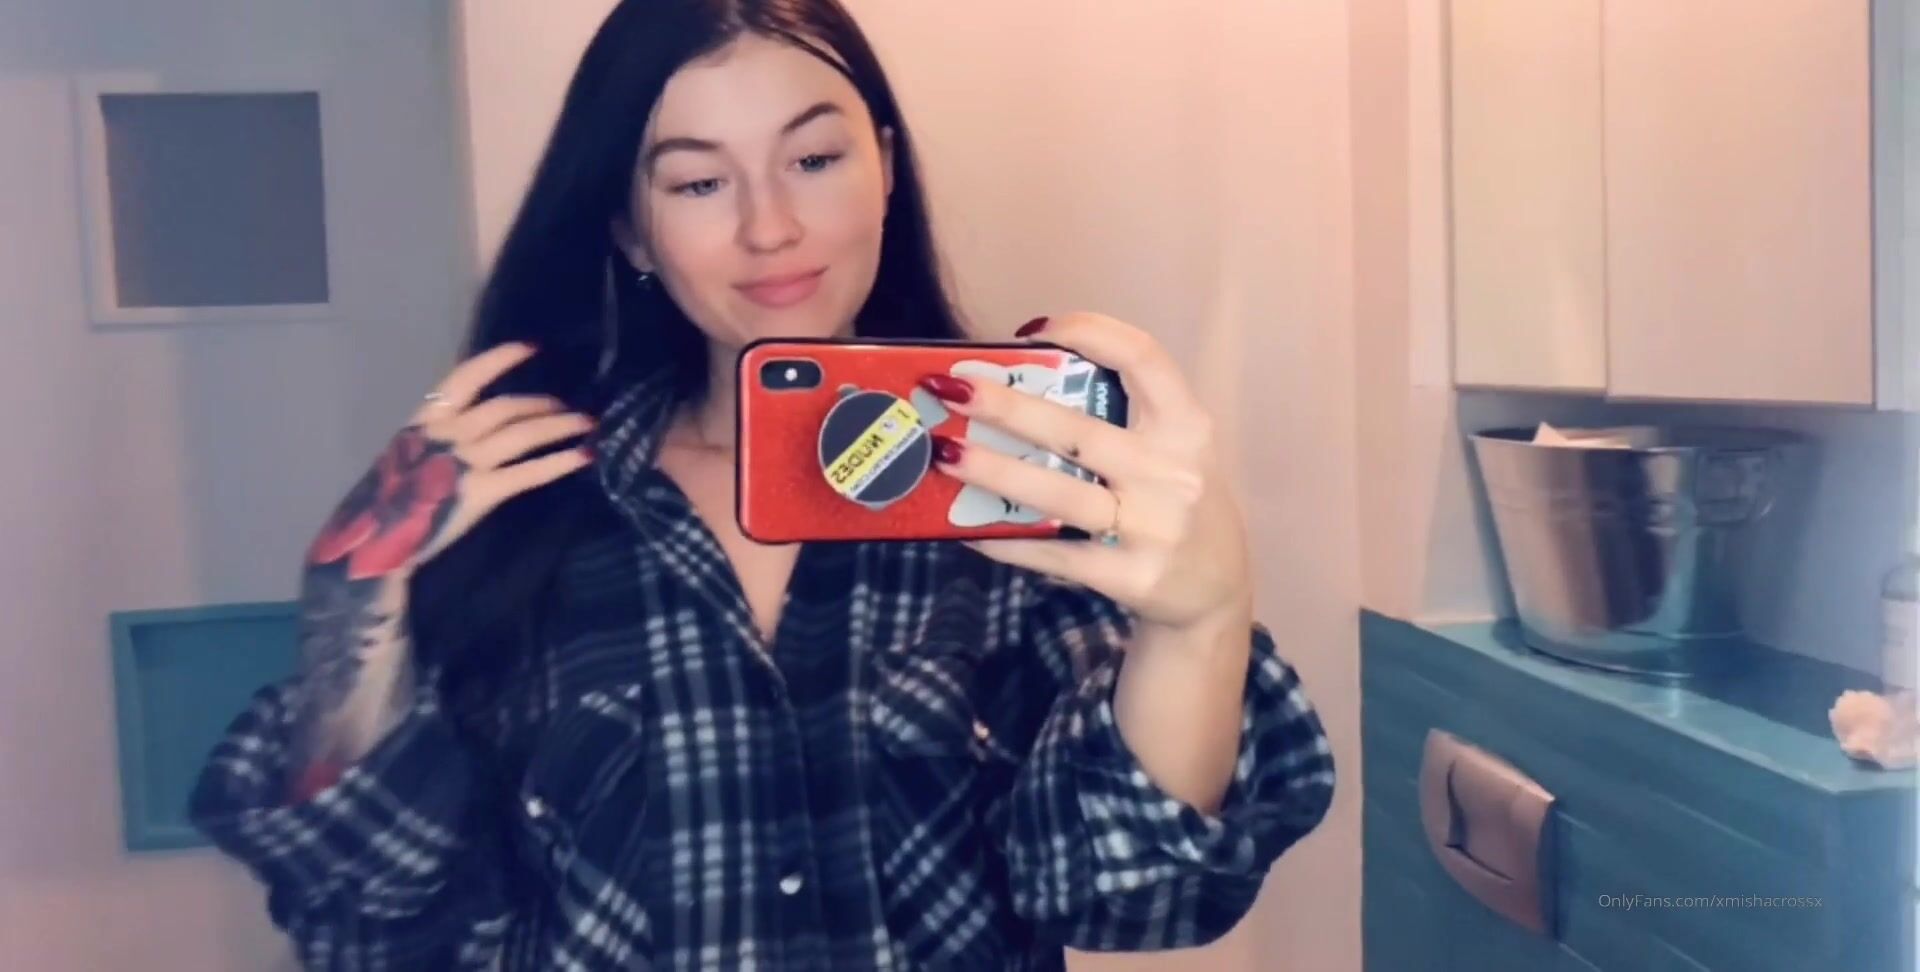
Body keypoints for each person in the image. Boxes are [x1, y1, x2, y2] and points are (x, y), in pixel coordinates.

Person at [189, 1, 1335, 969]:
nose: (771, 227)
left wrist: (1202, 621)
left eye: (816, 160)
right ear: (632, 232)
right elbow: (374, 933)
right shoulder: (526, 513)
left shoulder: (1021, 489)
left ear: (885, 170)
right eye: (698, 183)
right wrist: (352, 604)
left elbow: (1133, 900)